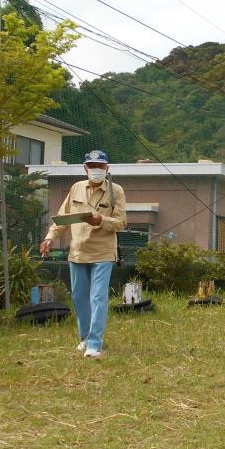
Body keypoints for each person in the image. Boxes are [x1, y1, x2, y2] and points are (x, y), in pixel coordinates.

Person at [40, 150, 126, 358]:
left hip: (103, 252)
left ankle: (95, 343)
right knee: (79, 297)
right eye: (92, 166)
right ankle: (85, 337)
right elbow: (62, 218)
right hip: (77, 251)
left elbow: (121, 223)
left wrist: (102, 220)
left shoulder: (116, 191)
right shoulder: (76, 188)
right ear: (85, 168)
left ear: (107, 168)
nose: (96, 170)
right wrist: (50, 237)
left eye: (100, 166)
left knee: (98, 297)